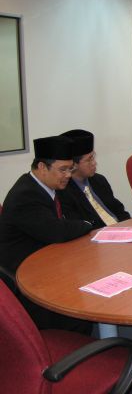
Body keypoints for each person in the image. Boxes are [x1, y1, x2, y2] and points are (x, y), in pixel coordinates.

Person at [0, 136, 93, 332]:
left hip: (49, 261)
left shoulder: (49, 186)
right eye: (63, 169)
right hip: (27, 279)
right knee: (83, 303)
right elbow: (57, 231)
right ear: (42, 167)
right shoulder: (25, 195)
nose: (68, 175)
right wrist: (87, 224)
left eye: (70, 169)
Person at [59, 129, 130, 228]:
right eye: (89, 159)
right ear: (73, 165)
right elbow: (79, 225)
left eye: (93, 157)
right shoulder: (64, 192)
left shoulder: (99, 180)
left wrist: (130, 226)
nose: (94, 163)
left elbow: (118, 209)